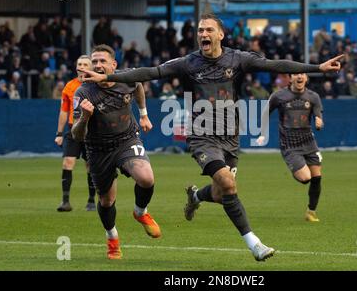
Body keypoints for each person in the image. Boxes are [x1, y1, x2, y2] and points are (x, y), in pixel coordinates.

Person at [80, 14, 343, 261]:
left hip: (230, 137)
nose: (203, 34)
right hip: (202, 136)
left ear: (221, 35)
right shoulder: (189, 63)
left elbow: (275, 65)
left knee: (221, 192)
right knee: (228, 184)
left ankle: (196, 196)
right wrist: (109, 76)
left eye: (208, 30)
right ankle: (255, 244)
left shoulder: (237, 59)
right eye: (200, 31)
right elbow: (150, 72)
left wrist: (318, 67)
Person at [72, 44, 159, 260]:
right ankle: (112, 238)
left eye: (102, 61)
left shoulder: (126, 78)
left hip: (126, 140)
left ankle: (140, 212)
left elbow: (138, 86)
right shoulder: (83, 92)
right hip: (98, 149)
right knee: (106, 201)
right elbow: (76, 135)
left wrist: (144, 114)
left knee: (146, 178)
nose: (98, 65)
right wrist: (84, 117)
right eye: (95, 62)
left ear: (114, 64)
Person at [257, 73, 324, 222]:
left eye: (302, 74)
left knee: (317, 178)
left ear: (306, 78)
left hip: (309, 142)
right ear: (290, 78)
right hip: (290, 144)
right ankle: (296, 166)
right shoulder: (279, 96)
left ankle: (311, 212)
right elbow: (265, 113)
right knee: (306, 178)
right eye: (296, 74)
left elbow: (318, 116)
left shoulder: (313, 97)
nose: (299, 77)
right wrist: (262, 133)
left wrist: (319, 122)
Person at [55, 55, 96, 212]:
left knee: (90, 165)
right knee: (67, 163)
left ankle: (91, 200)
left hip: (91, 130)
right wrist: (59, 133)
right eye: (79, 64)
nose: (82, 67)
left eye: (85, 64)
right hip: (73, 129)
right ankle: (65, 201)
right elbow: (64, 111)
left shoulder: (96, 85)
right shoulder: (69, 86)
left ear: (91, 67)